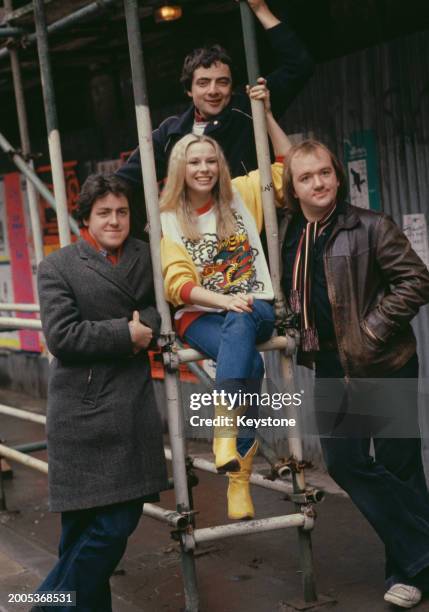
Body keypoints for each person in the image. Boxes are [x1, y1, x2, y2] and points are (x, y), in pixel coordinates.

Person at [280, 139, 429, 609]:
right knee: (344, 463)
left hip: (384, 364)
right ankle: (423, 552)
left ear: (338, 176)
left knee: (400, 467)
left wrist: (371, 329)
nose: (319, 182)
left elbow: (417, 280)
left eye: (325, 172)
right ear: (294, 188)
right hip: (330, 369)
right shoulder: (292, 236)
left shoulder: (370, 226)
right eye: (306, 177)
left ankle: (407, 573)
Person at [34, 174, 168, 611]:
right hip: (80, 411)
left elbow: (161, 308)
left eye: (122, 212)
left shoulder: (147, 257)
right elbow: (63, 336)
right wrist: (126, 333)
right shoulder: (58, 267)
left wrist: (146, 322)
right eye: (104, 213)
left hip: (129, 408)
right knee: (80, 533)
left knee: (115, 523)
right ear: (86, 217)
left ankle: (46, 606)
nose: (115, 220)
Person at [159, 83, 290, 521]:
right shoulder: (168, 219)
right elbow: (177, 285)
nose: (204, 168)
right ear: (180, 168)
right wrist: (224, 298)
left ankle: (223, 433)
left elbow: (288, 167)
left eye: (210, 160)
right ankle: (238, 480)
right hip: (199, 315)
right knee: (250, 365)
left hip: (257, 306)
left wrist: (267, 113)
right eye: (194, 161)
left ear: (221, 163)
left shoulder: (242, 194)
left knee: (243, 319)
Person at [116, 0, 313, 189]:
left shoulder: (249, 108)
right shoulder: (171, 133)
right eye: (203, 83)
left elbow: (299, 65)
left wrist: (260, 8)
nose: (213, 91)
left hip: (251, 220)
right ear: (188, 90)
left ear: (232, 86)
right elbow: (124, 180)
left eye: (222, 82)